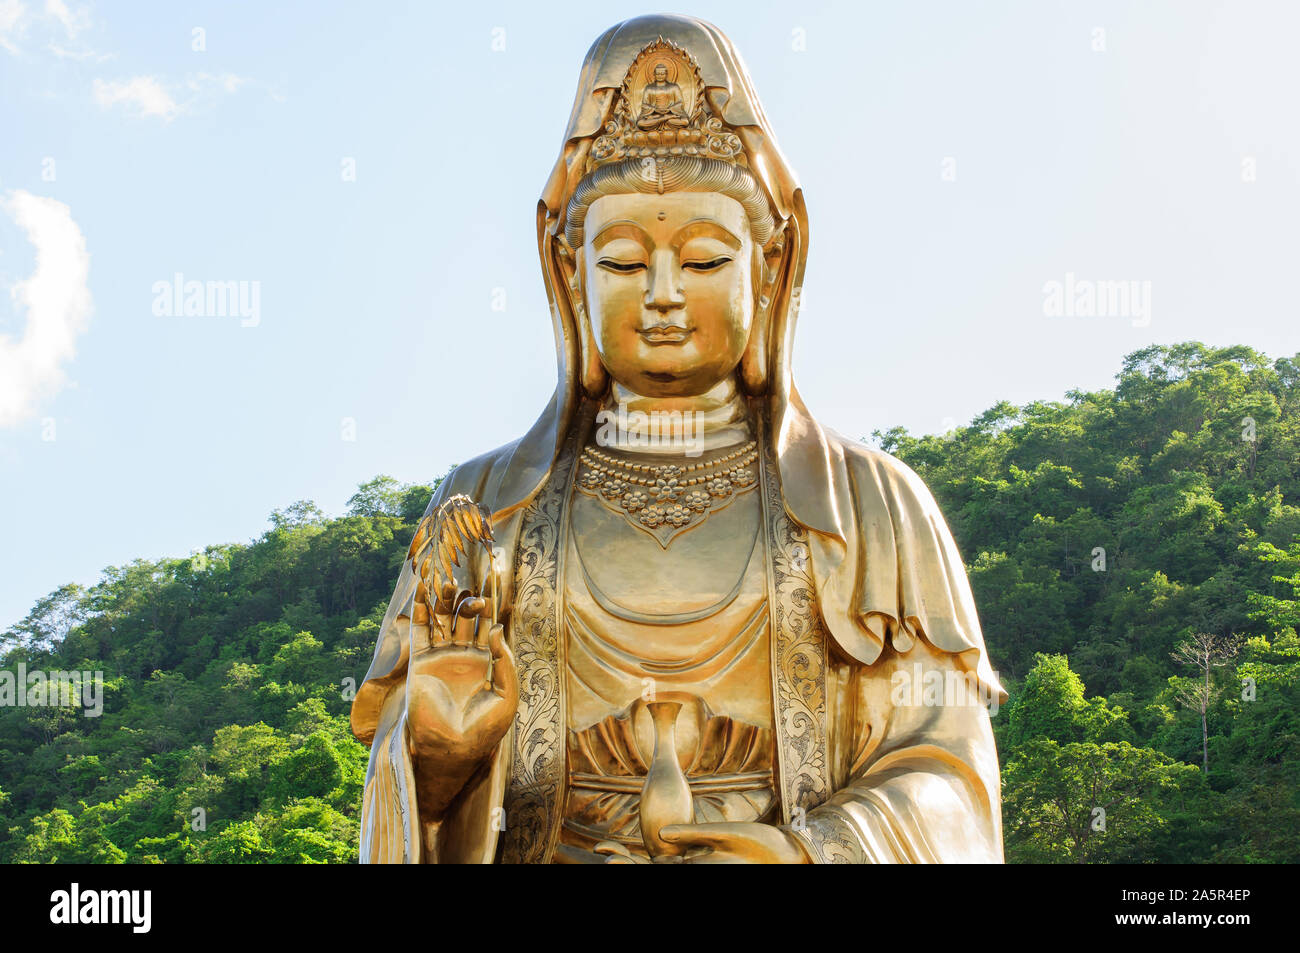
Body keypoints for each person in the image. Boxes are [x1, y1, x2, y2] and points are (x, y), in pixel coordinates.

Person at [350, 13, 1005, 864]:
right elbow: (405, 802)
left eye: (702, 260)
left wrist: (812, 851)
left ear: (768, 273)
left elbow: (951, 776)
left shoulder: (872, 504)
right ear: (570, 278)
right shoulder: (483, 510)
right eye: (621, 262)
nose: (661, 293)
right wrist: (441, 747)